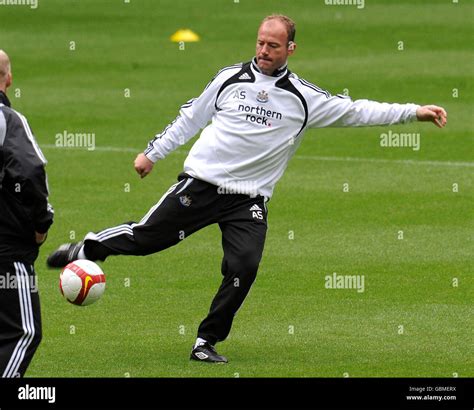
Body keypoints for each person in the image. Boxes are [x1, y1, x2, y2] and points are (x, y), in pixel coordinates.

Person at [47, 15, 447, 363]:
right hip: (201, 184)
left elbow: (359, 111)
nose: (264, 50)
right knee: (148, 238)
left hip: (248, 200)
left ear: (291, 48)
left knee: (244, 266)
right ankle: (88, 249)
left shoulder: (303, 98)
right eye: (260, 42)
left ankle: (206, 340)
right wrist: (153, 154)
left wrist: (414, 112)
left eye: (273, 45)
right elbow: (191, 116)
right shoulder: (229, 79)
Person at [0, 50, 54, 377]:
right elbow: (30, 172)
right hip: (7, 246)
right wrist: (41, 224)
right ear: (8, 79)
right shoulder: (8, 120)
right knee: (23, 332)